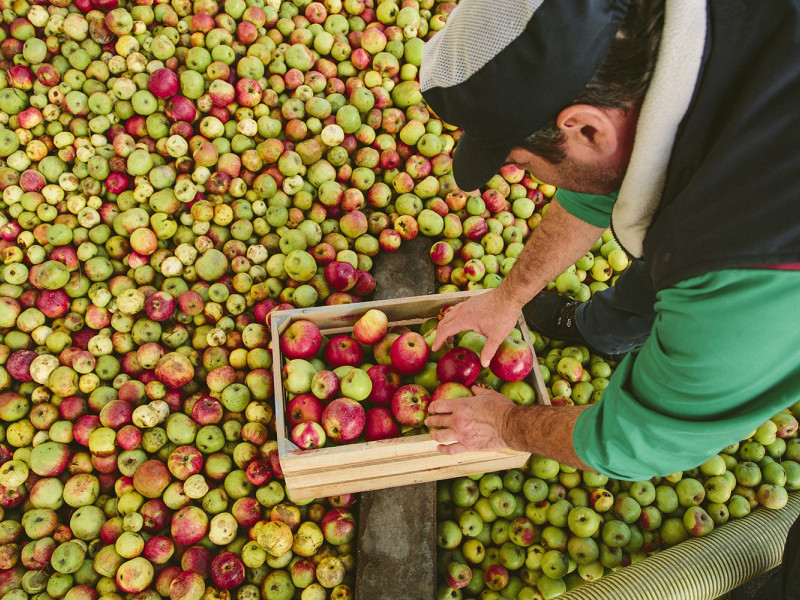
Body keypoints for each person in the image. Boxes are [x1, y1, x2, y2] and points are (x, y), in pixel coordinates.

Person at [419, 0, 800, 590]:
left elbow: (636, 438)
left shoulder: (735, 266)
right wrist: (509, 295)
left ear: (586, 127)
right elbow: (601, 188)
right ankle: (606, 327)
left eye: (522, 163)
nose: (524, 179)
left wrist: (509, 423)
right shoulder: (681, 43)